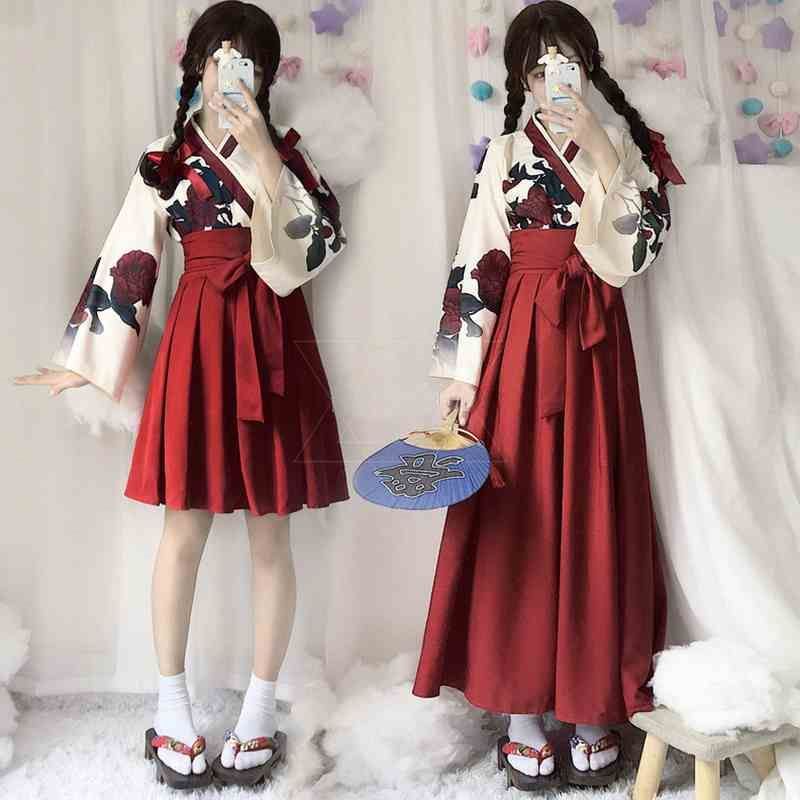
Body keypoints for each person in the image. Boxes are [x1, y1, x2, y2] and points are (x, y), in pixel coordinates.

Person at [13, 1, 349, 789]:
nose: (231, 72)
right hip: (198, 346)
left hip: (274, 341)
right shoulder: (165, 157)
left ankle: (260, 710)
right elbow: (129, 259)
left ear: (265, 76)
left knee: (271, 535)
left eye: (247, 61)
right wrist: (86, 362)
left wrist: (263, 153)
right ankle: (172, 710)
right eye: (219, 56)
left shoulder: (290, 154)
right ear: (196, 66)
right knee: (183, 531)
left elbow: (321, 246)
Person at [413, 1, 685, 790]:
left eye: (566, 64)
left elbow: (636, 253)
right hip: (518, 350)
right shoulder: (505, 154)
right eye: (538, 69)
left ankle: (594, 703)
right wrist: (462, 375)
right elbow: (477, 262)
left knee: (598, 512)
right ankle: (521, 710)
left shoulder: (622, 147)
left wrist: (601, 151)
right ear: (521, 80)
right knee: (517, 518)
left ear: (588, 69)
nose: (552, 81)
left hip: (595, 345)